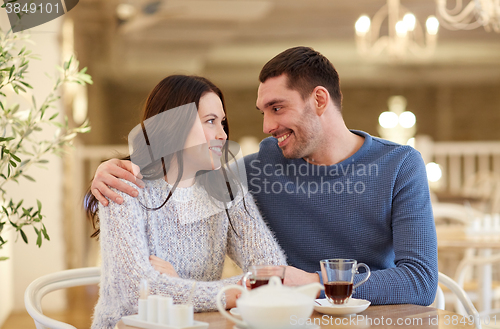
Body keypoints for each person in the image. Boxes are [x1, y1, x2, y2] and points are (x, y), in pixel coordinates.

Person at [90, 47, 438, 306]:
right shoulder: (252, 171)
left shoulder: (400, 165)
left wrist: (312, 283)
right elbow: (181, 177)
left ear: (319, 100)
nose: (267, 127)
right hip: (286, 319)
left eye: (277, 108)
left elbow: (420, 281)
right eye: (263, 112)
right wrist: (105, 172)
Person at [85, 75, 287, 329]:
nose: (223, 135)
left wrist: (177, 284)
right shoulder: (124, 187)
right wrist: (226, 293)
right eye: (210, 121)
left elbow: (273, 273)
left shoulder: (228, 190)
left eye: (222, 123)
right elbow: (135, 292)